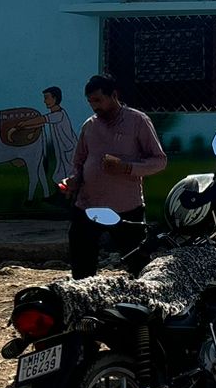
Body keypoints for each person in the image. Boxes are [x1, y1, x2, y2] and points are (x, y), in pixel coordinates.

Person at [62, 73, 167, 279]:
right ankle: (85, 295)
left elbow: (159, 161)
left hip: (126, 208)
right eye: (90, 102)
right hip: (88, 206)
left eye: (98, 100)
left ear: (114, 95)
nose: (95, 107)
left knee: (138, 264)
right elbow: (78, 162)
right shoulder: (90, 125)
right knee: (82, 266)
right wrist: (73, 179)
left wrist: (127, 167)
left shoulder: (138, 121)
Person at [42, 85, 78, 191]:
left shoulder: (59, 115)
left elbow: (41, 120)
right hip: (64, 151)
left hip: (69, 151)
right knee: (61, 174)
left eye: (47, 98)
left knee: (69, 174)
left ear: (55, 98)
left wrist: (22, 124)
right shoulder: (55, 114)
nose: (45, 101)